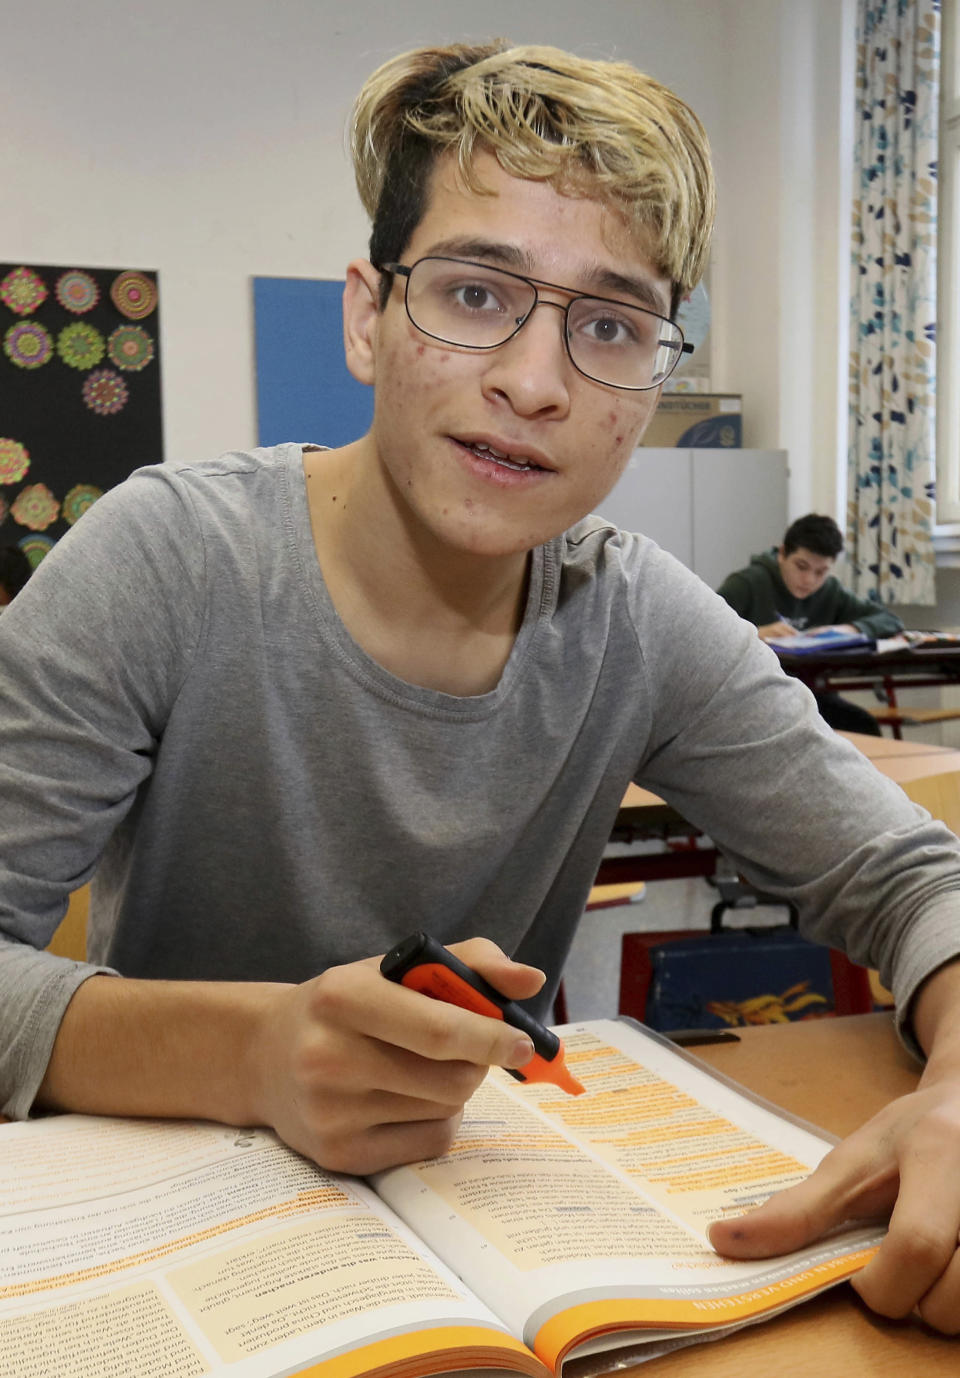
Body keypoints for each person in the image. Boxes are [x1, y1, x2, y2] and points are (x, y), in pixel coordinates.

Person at [2, 40, 960, 1333]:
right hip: (164, 1258)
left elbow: (912, 876)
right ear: (367, 312)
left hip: (492, 1252)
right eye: (472, 293)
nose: (534, 381)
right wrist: (257, 1052)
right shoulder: (168, 563)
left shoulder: (635, 616)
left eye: (611, 325)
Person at [716, 513, 904, 736]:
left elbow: (890, 620)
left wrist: (845, 629)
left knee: (863, 727)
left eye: (821, 572)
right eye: (801, 566)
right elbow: (706, 636)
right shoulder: (746, 584)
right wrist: (755, 633)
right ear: (782, 553)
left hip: (814, 696)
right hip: (754, 698)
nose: (809, 580)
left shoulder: (831, 591)